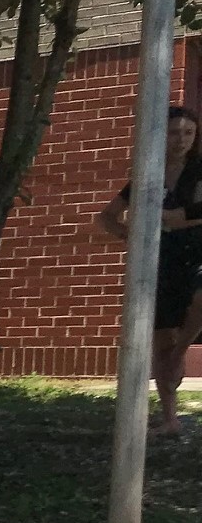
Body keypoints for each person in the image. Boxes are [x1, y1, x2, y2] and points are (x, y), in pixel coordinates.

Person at [97, 105, 202, 436]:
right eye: (174, 132)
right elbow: (105, 217)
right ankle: (170, 418)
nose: (181, 140)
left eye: (189, 133)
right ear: (161, 135)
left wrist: (180, 217)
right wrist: (135, 235)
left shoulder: (198, 169)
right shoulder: (148, 174)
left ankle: (181, 352)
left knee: (198, 304)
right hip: (161, 258)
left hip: (196, 250)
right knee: (162, 339)